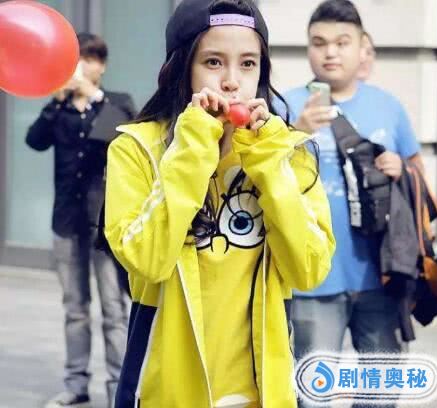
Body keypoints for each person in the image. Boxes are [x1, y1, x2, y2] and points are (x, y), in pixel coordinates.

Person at [103, 0, 335, 407]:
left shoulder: (286, 152)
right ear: (181, 67)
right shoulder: (135, 149)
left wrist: (268, 163)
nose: (231, 82)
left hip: (261, 391)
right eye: (213, 62)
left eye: (248, 64)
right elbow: (147, 259)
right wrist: (193, 146)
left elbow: (309, 270)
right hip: (167, 390)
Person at [278, 1, 426, 405]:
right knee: (312, 396)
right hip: (311, 281)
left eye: (342, 42)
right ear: (308, 48)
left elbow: (418, 178)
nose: (330, 52)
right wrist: (294, 133)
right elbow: (259, 181)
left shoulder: (388, 106)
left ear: (362, 47)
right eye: (319, 43)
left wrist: (400, 169)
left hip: (380, 276)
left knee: (381, 394)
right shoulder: (285, 106)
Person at [26, 33, 136, 408]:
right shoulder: (59, 108)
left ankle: (119, 388)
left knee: (113, 309)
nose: (81, 67)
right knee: (75, 309)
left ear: (101, 66)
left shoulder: (117, 103)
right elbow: (34, 140)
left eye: (88, 60)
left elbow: (124, 132)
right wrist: (57, 101)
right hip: (66, 221)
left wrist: (93, 96)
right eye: (76, 60)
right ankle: (76, 385)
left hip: (104, 223)